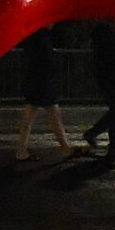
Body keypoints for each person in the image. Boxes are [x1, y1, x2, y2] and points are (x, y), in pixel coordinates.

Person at [15, 26, 74, 160]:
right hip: (43, 82)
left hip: (33, 81)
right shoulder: (42, 38)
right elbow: (46, 61)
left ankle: (21, 151)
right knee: (54, 115)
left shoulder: (33, 36)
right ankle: (65, 148)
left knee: (29, 118)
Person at [83, 18, 115, 158]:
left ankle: (100, 136)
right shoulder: (108, 41)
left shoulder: (107, 39)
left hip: (113, 81)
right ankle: (113, 143)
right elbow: (111, 62)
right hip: (111, 81)